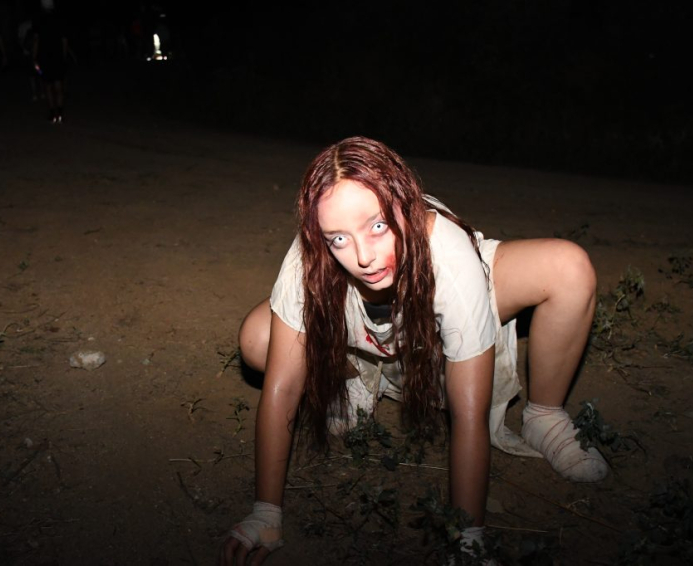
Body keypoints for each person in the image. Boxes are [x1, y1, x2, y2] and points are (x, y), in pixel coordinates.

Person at [218, 136, 609, 565]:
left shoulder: (449, 257)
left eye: (378, 226)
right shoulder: (314, 255)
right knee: (260, 338)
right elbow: (283, 388)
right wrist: (265, 513)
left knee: (569, 266)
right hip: (367, 329)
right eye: (339, 240)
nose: (365, 256)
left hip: (438, 304)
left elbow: (468, 413)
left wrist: (469, 538)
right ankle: (354, 381)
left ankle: (544, 416)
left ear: (405, 202)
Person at [32, 0, 74, 124]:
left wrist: (34, 57)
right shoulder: (59, 20)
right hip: (57, 56)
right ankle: (59, 111)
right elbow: (64, 40)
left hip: (44, 56)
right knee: (58, 84)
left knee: (48, 85)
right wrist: (64, 55)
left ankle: (52, 111)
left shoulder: (38, 21)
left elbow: (36, 40)